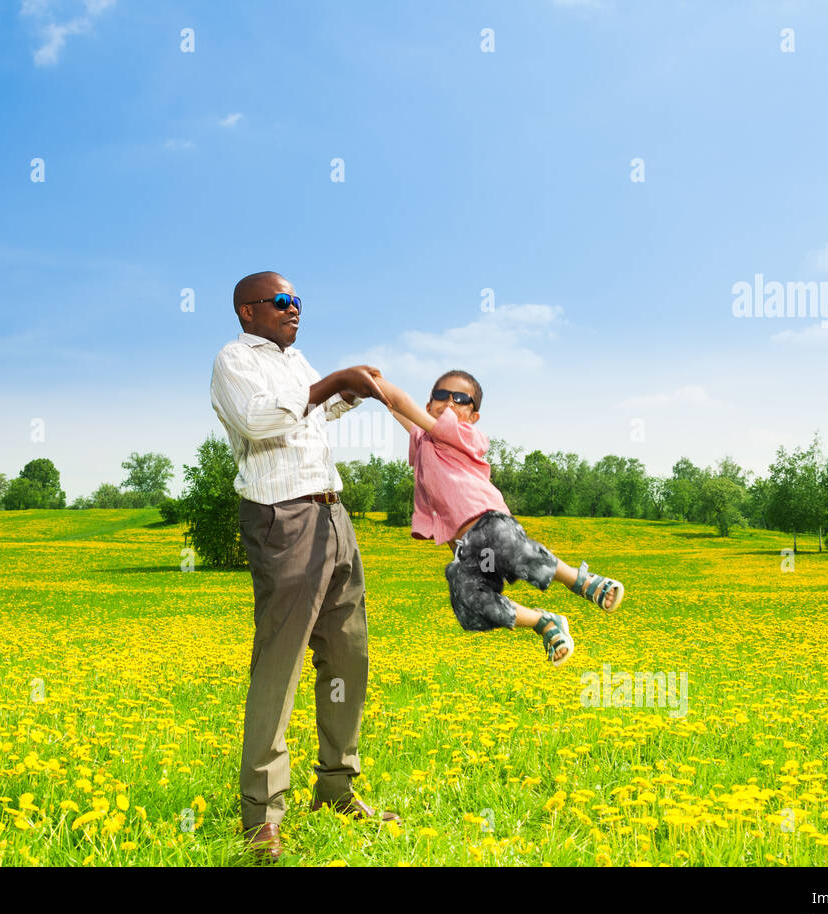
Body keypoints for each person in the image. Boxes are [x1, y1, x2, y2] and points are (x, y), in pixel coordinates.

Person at [210, 271, 401, 864]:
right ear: (248, 310)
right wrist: (328, 386)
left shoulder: (296, 362)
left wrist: (347, 392)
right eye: (283, 302)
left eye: (299, 302)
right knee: (281, 661)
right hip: (281, 517)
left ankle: (336, 789)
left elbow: (310, 417)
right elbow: (259, 421)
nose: (295, 310)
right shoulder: (234, 360)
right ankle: (262, 815)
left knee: (349, 653)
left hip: (332, 514)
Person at [375, 368, 626, 663]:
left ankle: (580, 580)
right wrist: (374, 394)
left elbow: (402, 403)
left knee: (510, 549)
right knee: (469, 600)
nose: (450, 402)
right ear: (429, 405)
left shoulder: (461, 433)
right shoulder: (425, 439)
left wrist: (371, 380)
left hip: (489, 524)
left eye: (461, 398)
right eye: (441, 395)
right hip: (465, 549)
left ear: (473, 417)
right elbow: (397, 409)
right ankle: (543, 622)